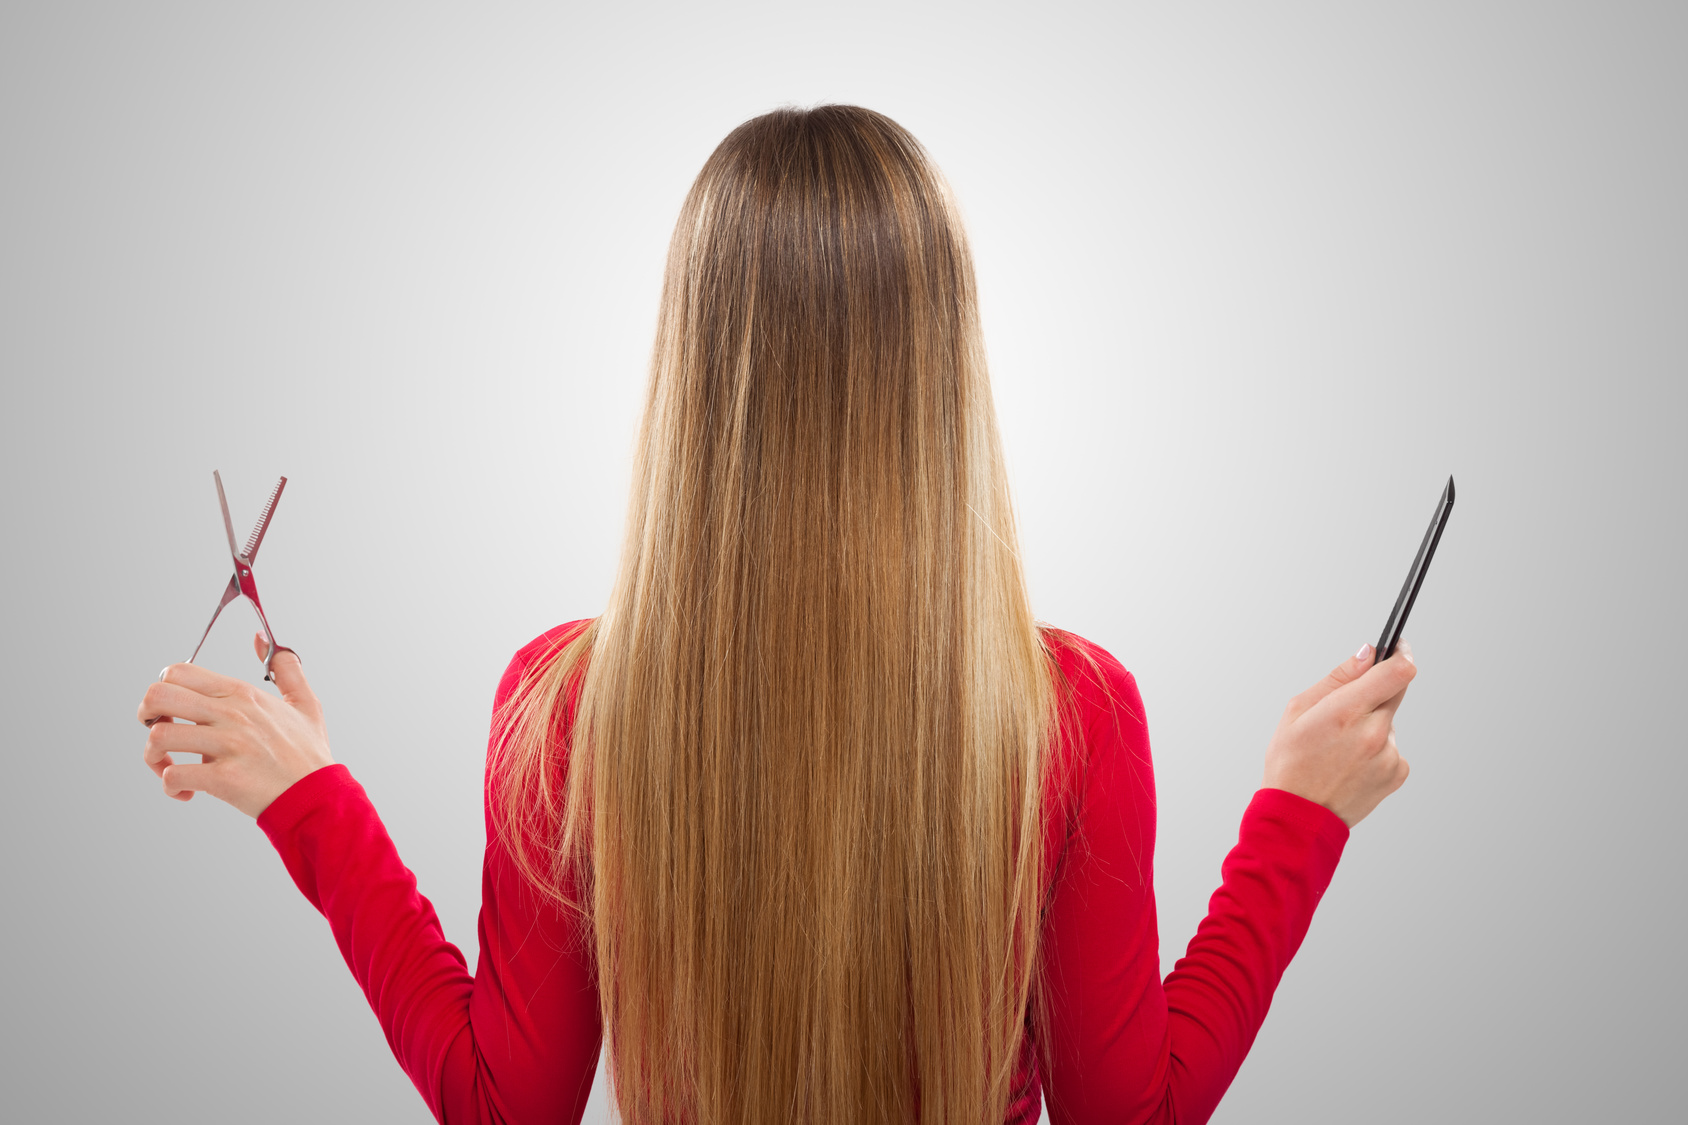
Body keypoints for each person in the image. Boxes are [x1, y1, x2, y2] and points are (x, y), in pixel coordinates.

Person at [136, 105, 1415, 1125]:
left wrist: (312, 803)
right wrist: (1296, 822)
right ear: (943, 374)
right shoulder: (1068, 711)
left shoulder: (569, 702)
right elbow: (1121, 1114)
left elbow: (501, 1105)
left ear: (693, 371)